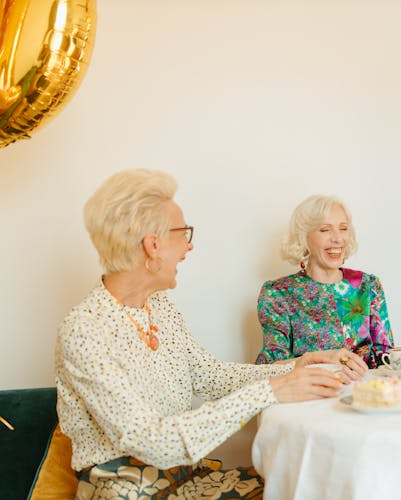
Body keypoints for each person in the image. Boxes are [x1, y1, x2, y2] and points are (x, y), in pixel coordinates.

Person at [56, 169, 367, 498]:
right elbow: (154, 443)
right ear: (153, 245)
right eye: (183, 233)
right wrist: (272, 391)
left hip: (188, 480)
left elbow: (211, 375)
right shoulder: (85, 330)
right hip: (134, 492)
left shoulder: (159, 307)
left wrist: (298, 365)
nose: (188, 246)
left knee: (314, 484)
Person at [255, 195, 401, 368]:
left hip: (365, 392)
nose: (338, 238)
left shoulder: (368, 285)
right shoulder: (278, 293)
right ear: (303, 237)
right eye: (325, 230)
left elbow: (383, 359)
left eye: (343, 228)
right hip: (313, 393)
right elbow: (271, 367)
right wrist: (321, 359)